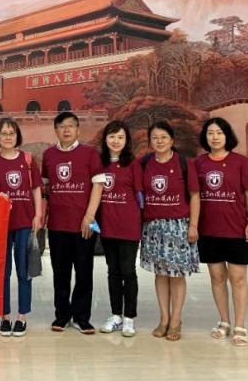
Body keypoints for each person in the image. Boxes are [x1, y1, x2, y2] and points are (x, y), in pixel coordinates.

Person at [195, 117, 248, 347]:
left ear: (227, 135)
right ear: (205, 137)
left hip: (236, 229)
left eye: (219, 133)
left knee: (238, 278)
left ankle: (240, 326)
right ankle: (224, 321)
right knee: (217, 277)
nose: (215, 137)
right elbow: (193, 195)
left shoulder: (240, 162)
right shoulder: (199, 163)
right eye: (210, 133)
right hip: (209, 230)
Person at [41, 111, 102, 335]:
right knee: (60, 273)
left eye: (70, 126)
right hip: (57, 225)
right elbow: (46, 188)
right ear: (56, 130)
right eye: (61, 126)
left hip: (84, 223)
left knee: (84, 272)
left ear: (78, 130)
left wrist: (90, 216)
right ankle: (62, 315)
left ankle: (82, 317)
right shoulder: (48, 155)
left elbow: (98, 185)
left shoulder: (89, 153)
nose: (66, 130)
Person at [81, 120, 142, 337]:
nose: (116, 141)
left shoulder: (133, 164)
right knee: (113, 272)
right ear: (105, 139)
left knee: (128, 272)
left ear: (126, 141)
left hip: (128, 227)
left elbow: (140, 197)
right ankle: (116, 315)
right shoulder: (99, 163)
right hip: (107, 227)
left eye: (120, 137)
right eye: (112, 136)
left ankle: (129, 318)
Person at [140, 120, 200, 342]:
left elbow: (195, 195)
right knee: (161, 274)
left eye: (164, 137)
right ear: (150, 141)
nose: (159, 141)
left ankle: (176, 320)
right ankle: (164, 318)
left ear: (172, 140)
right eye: (155, 138)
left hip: (178, 226)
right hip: (153, 227)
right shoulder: (145, 163)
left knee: (177, 275)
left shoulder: (183, 163)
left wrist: (193, 225)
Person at [0, 118, 43, 337]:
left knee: (23, 271)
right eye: (3, 133)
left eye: (11, 133)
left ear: (17, 136)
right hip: (0, 225)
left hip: (24, 222)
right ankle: (4, 315)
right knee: (3, 272)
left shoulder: (27, 159)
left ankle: (22, 316)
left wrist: (38, 215)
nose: (8, 137)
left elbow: (36, 189)